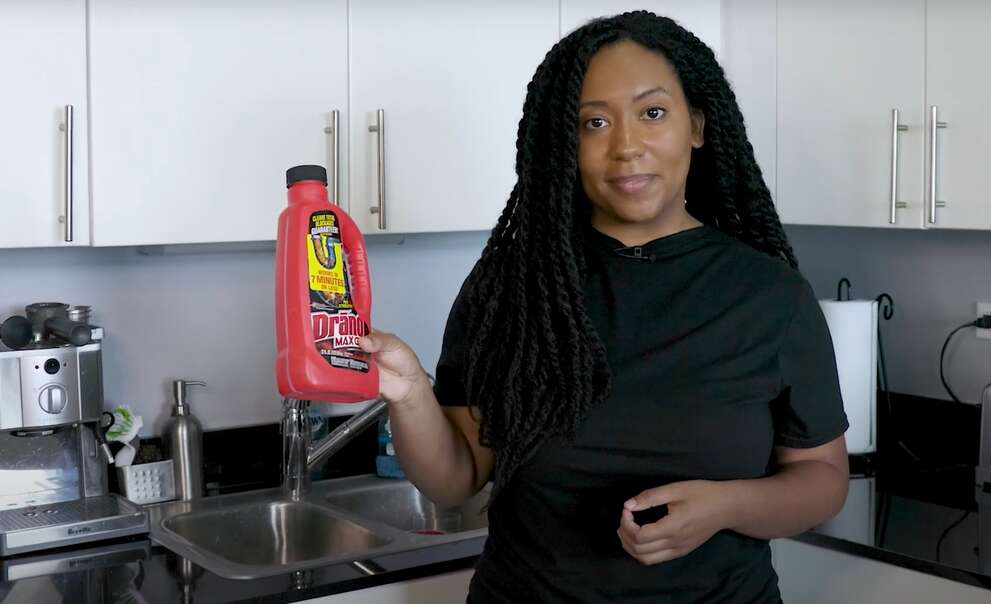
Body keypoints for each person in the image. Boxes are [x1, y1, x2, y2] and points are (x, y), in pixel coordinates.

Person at [357, 11, 850, 603]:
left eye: (653, 113)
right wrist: (410, 393)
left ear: (696, 124)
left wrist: (726, 506)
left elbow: (822, 477)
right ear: (567, 144)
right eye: (593, 122)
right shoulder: (513, 287)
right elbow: (458, 477)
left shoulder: (771, 295)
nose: (626, 147)